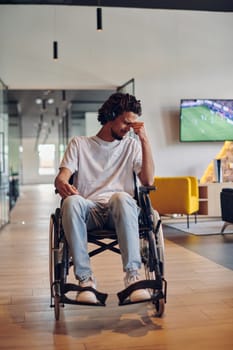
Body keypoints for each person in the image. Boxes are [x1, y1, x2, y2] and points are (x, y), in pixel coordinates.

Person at [54, 92, 155, 304]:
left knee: (121, 197)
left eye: (133, 125)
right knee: (72, 202)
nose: (130, 129)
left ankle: (133, 277)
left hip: (121, 210)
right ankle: (86, 281)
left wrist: (144, 141)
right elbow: (63, 176)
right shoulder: (79, 144)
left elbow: (147, 180)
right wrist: (62, 182)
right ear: (110, 116)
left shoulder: (131, 145)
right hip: (88, 211)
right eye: (126, 123)